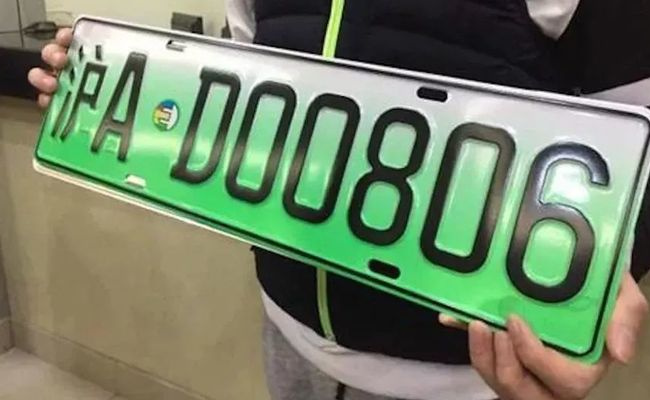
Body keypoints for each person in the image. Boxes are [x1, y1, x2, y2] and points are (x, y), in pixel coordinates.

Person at [29, 1, 650, 399]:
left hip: (464, 373)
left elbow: (638, 144)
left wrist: (596, 296)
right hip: (290, 332)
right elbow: (246, 88)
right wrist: (101, 94)